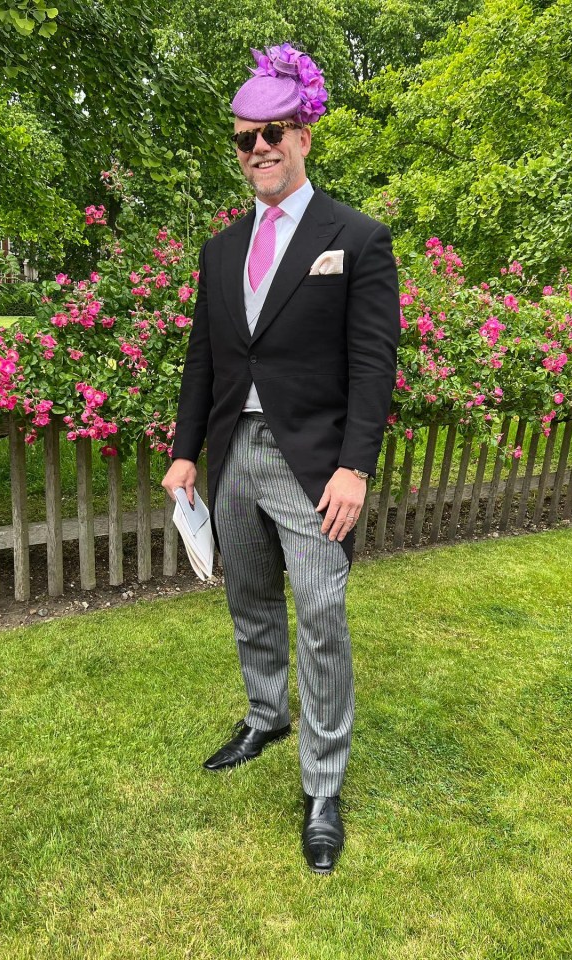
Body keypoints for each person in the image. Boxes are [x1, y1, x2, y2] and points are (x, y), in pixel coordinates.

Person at [161, 43, 399, 874]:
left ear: (304, 135)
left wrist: (355, 466)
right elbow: (205, 358)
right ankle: (267, 715)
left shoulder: (357, 239)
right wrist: (187, 453)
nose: (259, 148)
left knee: (323, 619)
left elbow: (373, 364)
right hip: (233, 458)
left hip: (314, 464)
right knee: (250, 598)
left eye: (274, 132)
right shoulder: (221, 250)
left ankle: (323, 785)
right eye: (244, 137)